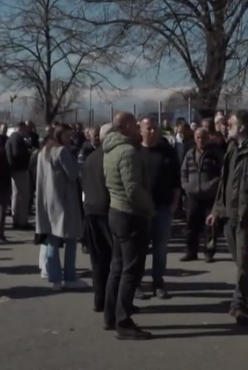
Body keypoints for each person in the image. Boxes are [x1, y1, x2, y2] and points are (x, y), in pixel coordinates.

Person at [206, 110, 248, 325]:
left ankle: (239, 304)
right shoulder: (232, 149)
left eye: (231, 123)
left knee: (245, 260)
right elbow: (224, 184)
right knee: (241, 261)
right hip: (230, 215)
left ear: (242, 126)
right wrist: (216, 211)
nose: (226, 126)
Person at [103, 112, 154, 340]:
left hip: (115, 211)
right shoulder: (127, 152)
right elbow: (133, 189)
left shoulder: (110, 150)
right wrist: (149, 208)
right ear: (124, 127)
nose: (137, 129)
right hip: (130, 214)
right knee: (130, 270)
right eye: (134, 125)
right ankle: (123, 321)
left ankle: (111, 316)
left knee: (117, 267)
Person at [36, 124, 88, 291]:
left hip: (47, 200)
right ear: (59, 135)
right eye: (67, 135)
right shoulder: (62, 152)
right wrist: (78, 165)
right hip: (64, 200)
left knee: (52, 239)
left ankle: (55, 278)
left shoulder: (43, 151)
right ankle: (70, 277)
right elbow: (72, 175)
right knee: (71, 239)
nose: (70, 138)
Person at [138, 117, 181, 299]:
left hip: (163, 207)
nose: (153, 131)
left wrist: (174, 203)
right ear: (141, 130)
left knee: (160, 248)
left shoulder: (168, 152)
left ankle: (158, 282)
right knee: (139, 248)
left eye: (155, 128)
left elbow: (176, 180)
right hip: (140, 209)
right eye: (149, 128)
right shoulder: (135, 151)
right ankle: (136, 283)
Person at [82, 123, 113, 312]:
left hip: (91, 210)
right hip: (107, 210)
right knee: (114, 259)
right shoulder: (110, 157)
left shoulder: (90, 157)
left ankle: (99, 300)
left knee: (98, 260)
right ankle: (111, 302)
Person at [180, 128, 223, 263]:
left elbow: (222, 174)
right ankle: (191, 252)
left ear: (207, 138)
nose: (200, 141)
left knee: (210, 226)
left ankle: (209, 252)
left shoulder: (215, 154)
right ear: (194, 138)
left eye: (203, 138)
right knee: (191, 225)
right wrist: (187, 186)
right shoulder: (189, 154)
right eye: (198, 138)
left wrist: (212, 185)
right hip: (192, 196)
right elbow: (183, 172)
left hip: (210, 196)